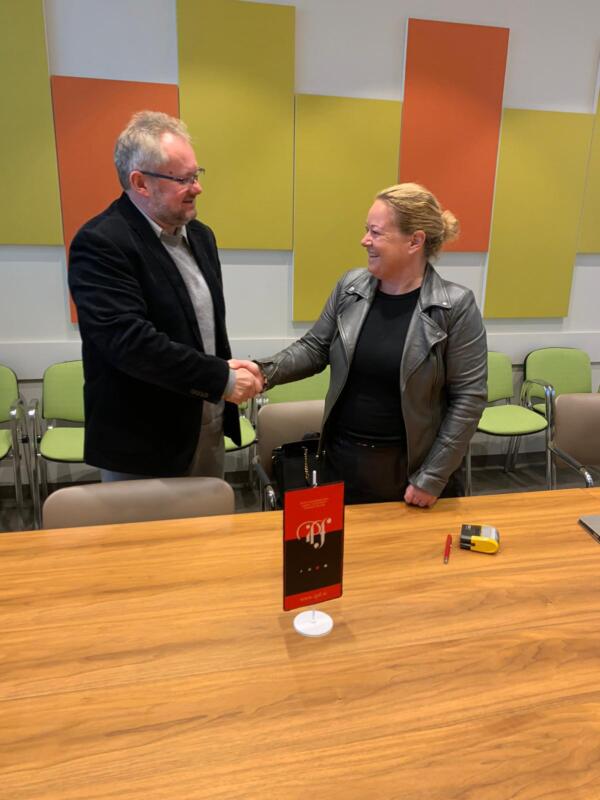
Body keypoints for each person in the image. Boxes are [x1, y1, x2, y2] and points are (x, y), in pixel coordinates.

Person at [256, 183, 487, 507]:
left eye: (375, 232)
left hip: (411, 474)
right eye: (367, 230)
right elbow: (315, 348)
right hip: (341, 463)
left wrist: (432, 478)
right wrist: (262, 372)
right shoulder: (350, 287)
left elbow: (469, 399)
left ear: (415, 241)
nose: (365, 240)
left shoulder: (455, 306)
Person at [69, 110, 262, 482]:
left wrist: (224, 374)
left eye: (196, 175)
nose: (197, 188)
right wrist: (220, 378)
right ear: (140, 182)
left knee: (211, 521)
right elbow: (130, 343)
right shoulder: (101, 243)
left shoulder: (201, 236)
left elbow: (200, 331)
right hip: (142, 446)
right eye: (183, 179)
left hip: (206, 426)